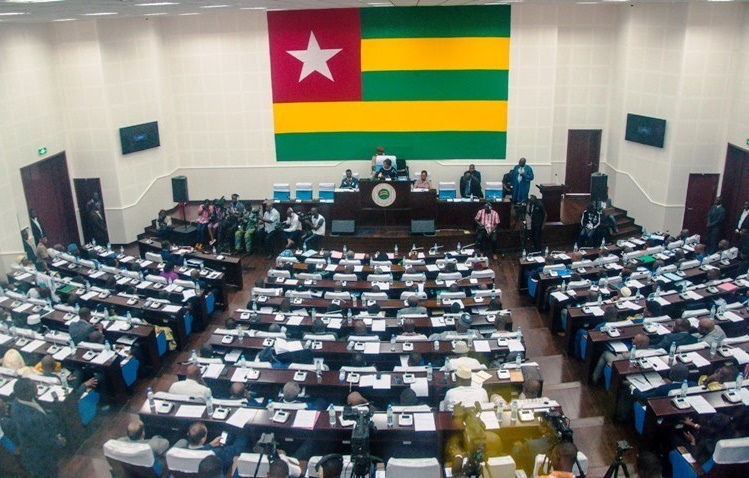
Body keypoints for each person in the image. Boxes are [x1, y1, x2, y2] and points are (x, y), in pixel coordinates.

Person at [11, 378, 67, 478]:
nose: (37, 389)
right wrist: (59, 443)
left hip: (33, 446)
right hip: (40, 456)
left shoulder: (17, 401)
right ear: (28, 392)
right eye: (35, 387)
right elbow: (43, 440)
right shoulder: (30, 419)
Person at [172, 421, 247, 473]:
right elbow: (227, 459)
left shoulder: (180, 452)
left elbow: (198, 452)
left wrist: (210, 445)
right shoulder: (216, 453)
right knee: (241, 437)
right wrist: (230, 449)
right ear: (203, 439)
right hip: (219, 469)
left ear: (188, 434)